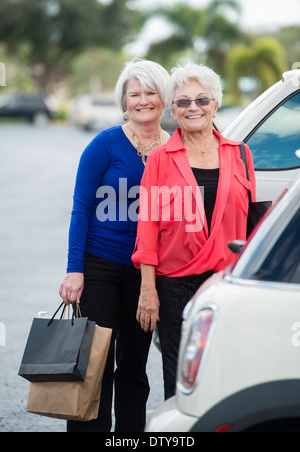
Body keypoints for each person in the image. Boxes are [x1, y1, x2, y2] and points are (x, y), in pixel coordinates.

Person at [132, 62, 256, 400]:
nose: (193, 108)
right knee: (177, 372)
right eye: (183, 102)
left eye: (201, 100)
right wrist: (148, 290)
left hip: (225, 282)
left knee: (226, 364)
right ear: (173, 110)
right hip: (173, 284)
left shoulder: (241, 155)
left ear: (215, 104)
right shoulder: (160, 159)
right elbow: (148, 228)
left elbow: (249, 227)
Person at [59, 58, 170, 432]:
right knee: (95, 367)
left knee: (135, 367)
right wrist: (75, 269)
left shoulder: (174, 151)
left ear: (163, 97)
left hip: (147, 273)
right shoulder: (104, 145)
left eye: (151, 92)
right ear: (124, 100)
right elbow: (81, 208)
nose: (143, 100)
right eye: (134, 93)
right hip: (100, 266)